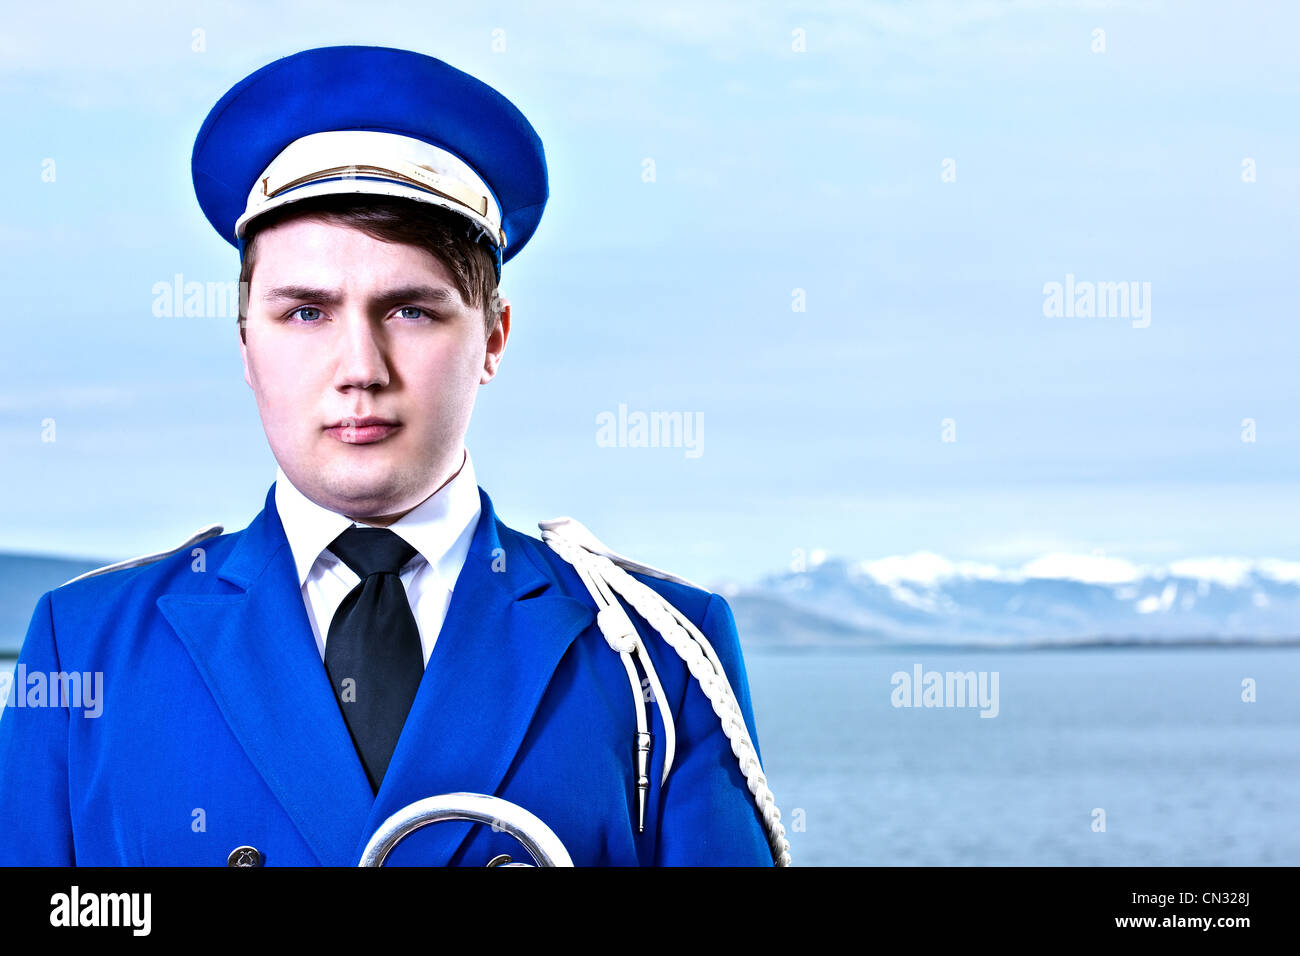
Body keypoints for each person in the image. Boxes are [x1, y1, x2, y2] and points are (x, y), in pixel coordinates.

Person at [0, 45, 787, 867]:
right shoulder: (87, 644)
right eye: (305, 313)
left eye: (410, 311)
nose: (360, 370)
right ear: (244, 345)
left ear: (493, 338)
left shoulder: (656, 656)